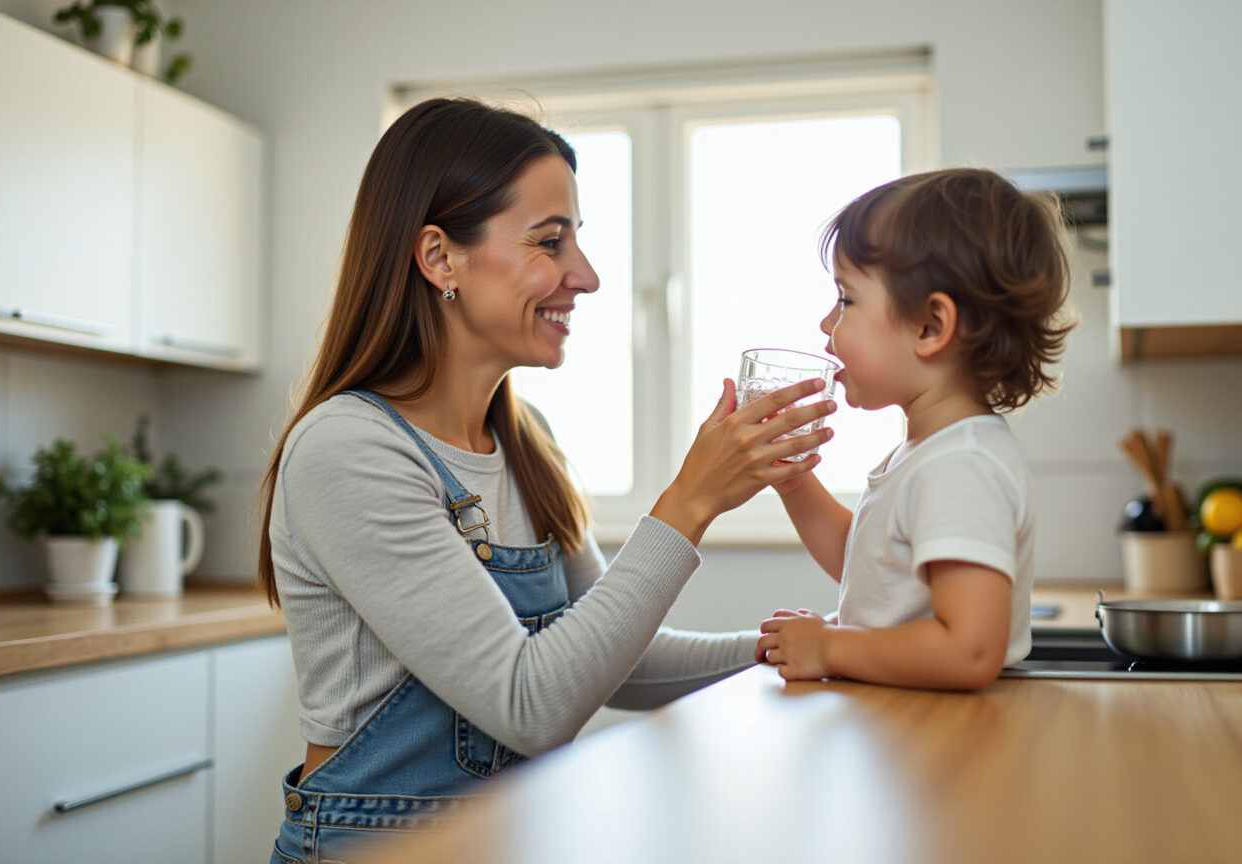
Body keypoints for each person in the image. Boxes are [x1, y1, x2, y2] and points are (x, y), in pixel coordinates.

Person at [256, 98, 835, 863]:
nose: (585, 276)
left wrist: (796, 647)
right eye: (550, 241)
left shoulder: (524, 442)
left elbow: (612, 662)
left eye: (577, 241)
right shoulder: (348, 451)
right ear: (439, 258)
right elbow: (532, 705)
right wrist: (691, 501)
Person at [755, 168, 1075, 690]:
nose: (825, 325)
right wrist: (794, 481)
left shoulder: (960, 464)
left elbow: (969, 650)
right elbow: (875, 571)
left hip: (946, 747)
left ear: (930, 327)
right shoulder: (931, 452)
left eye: (846, 300)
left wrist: (828, 645)